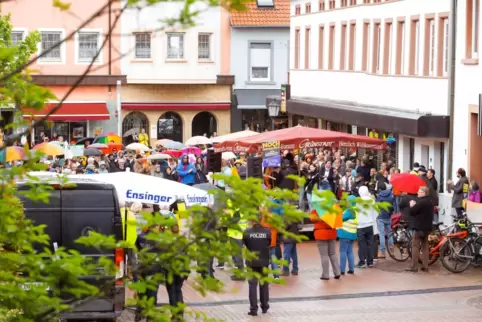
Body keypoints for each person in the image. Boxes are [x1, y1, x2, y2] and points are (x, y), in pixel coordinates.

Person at [310, 180, 341, 280]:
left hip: (320, 233)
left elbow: (312, 219)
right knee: (332, 253)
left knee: (324, 255)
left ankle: (326, 274)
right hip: (332, 231)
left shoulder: (318, 206)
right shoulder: (334, 205)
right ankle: (337, 272)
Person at [243, 219, 271, 317]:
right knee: (264, 285)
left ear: (251, 221)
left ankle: (253, 309)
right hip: (264, 261)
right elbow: (268, 244)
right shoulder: (267, 231)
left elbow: (246, 244)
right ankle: (264, 306)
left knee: (252, 286)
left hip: (251, 262)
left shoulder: (247, 232)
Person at [406, 186, 434, 272]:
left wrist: (411, 205)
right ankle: (425, 266)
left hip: (419, 227)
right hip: (428, 227)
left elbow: (412, 212)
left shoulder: (421, 203)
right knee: (425, 247)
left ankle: (414, 266)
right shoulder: (430, 201)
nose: (418, 193)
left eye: (419, 192)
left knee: (415, 246)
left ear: (424, 193)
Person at [356, 186, 377, 268]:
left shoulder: (358, 201)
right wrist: (372, 219)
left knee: (361, 244)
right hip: (370, 224)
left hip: (360, 225)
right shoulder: (372, 200)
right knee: (370, 244)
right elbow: (376, 212)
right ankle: (370, 261)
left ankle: (362, 261)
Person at [338, 195, 357, 275]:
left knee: (343, 252)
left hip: (345, 233)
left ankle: (342, 270)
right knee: (350, 252)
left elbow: (341, 218)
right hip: (352, 234)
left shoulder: (349, 211)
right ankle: (351, 269)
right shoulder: (356, 210)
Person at [375, 187, 395, 258]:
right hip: (388, 216)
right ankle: (392, 251)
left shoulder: (379, 196)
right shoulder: (391, 196)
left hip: (380, 216)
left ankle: (382, 252)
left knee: (381, 234)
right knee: (389, 233)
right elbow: (393, 206)